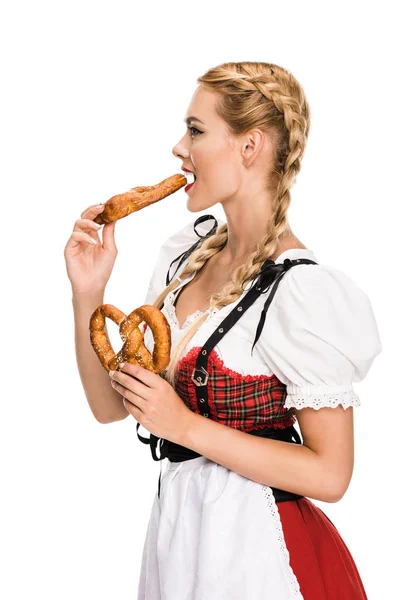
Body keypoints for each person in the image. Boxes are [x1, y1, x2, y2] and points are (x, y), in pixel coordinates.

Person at [64, 61, 382, 599]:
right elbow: (109, 408)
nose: (178, 149)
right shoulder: (182, 259)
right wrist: (87, 293)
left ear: (250, 145)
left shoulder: (301, 293)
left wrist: (183, 426)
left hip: (259, 553)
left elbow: (331, 475)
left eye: (195, 130)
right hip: (178, 540)